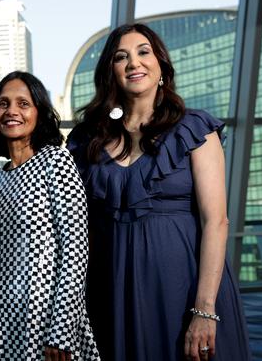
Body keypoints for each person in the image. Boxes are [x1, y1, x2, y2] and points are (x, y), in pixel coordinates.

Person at [67, 23, 251, 361]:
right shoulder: (85, 141)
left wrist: (204, 310)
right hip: (110, 291)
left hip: (183, 290)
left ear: (161, 66)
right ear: (111, 71)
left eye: (143, 52)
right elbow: (80, 230)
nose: (134, 63)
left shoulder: (194, 129)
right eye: (121, 57)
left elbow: (217, 221)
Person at [0, 71, 100, 361]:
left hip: (47, 318)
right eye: (3, 103)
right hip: (4, 319)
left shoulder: (56, 161)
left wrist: (61, 330)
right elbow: (0, 263)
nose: (11, 111)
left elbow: (75, 249)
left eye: (23, 103)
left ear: (39, 113)